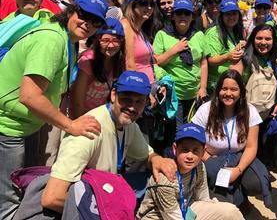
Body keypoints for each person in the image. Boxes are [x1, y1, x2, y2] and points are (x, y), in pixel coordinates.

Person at [0, 0, 108, 219]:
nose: (88, 23)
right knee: (8, 204)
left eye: (95, 21)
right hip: (8, 128)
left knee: (21, 190)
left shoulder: (65, 38)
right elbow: (30, 96)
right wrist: (70, 125)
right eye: (83, 14)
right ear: (71, 10)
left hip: (25, 127)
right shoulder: (51, 40)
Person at [41, 71, 177, 214]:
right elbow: (51, 198)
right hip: (90, 204)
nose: (132, 107)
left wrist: (157, 159)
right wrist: (105, 211)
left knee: (161, 180)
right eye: (126, 99)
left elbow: (147, 155)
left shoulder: (128, 124)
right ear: (113, 95)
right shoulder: (89, 131)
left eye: (139, 101)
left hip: (106, 192)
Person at [191, 70, 271, 214]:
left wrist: (238, 170)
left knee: (257, 182)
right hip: (210, 159)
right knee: (222, 207)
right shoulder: (205, 110)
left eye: (234, 89)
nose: (228, 93)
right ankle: (235, 198)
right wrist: (209, 160)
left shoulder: (250, 111)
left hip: (238, 157)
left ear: (241, 91)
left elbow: (252, 146)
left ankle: (240, 196)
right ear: (218, 90)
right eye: (224, 89)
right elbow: (193, 142)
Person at [137, 123, 244, 220]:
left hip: (186, 208)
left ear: (203, 151)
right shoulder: (165, 178)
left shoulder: (199, 166)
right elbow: (173, 217)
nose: (190, 156)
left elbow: (203, 199)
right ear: (175, 148)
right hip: (160, 217)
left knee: (230, 212)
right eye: (185, 150)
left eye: (195, 150)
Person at [153, 0, 208, 141]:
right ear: (173, 16)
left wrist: (203, 87)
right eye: (179, 13)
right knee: (177, 131)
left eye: (186, 13)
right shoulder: (162, 35)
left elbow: (203, 63)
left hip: (194, 93)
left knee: (192, 129)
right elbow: (156, 61)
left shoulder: (199, 35)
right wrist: (174, 50)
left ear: (192, 17)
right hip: (173, 94)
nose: (183, 16)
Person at [231, 24, 277, 166]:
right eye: (259, 38)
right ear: (252, 38)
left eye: (268, 39)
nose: (263, 42)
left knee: (265, 149)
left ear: (274, 41)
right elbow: (232, 82)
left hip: (269, 114)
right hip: (245, 115)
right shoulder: (244, 57)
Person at [71, 18, 126, 118]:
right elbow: (77, 101)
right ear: (97, 40)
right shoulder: (88, 61)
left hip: (98, 115)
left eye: (116, 40)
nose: (111, 45)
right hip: (78, 114)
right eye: (105, 40)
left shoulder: (119, 62)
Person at [205, 0, 245, 91]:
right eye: (227, 14)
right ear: (221, 15)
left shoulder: (237, 31)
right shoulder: (213, 33)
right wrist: (227, 56)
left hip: (232, 84)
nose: (231, 17)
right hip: (216, 86)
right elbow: (209, 60)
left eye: (234, 13)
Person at [121, 0, 157, 85]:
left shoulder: (140, 29)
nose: (149, 7)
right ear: (132, 5)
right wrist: (143, 90)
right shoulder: (126, 25)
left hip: (149, 86)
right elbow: (129, 64)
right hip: (137, 90)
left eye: (152, 4)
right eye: (143, 3)